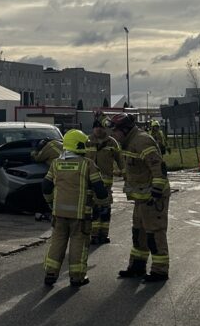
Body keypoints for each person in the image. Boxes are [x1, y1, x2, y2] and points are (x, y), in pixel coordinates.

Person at [108, 112, 170, 282]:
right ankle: (137, 266)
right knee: (139, 232)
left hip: (153, 197)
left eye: (115, 131)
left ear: (125, 130)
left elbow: (158, 168)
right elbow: (136, 169)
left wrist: (156, 192)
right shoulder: (128, 143)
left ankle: (160, 270)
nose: (113, 135)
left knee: (154, 233)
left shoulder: (142, 141)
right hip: (142, 197)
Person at [41, 129, 107, 287]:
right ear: (79, 145)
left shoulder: (56, 163)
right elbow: (100, 190)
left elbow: (46, 187)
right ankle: (77, 277)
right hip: (80, 215)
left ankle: (50, 273)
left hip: (59, 214)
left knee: (57, 242)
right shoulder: (87, 164)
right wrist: (101, 205)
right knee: (79, 243)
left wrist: (51, 204)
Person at [86, 116, 123, 244]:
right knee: (93, 210)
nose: (98, 129)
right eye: (95, 127)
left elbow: (121, 160)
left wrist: (125, 173)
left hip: (106, 184)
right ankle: (94, 235)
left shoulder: (112, 143)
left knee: (105, 210)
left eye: (100, 127)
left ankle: (104, 235)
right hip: (90, 184)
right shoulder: (87, 141)